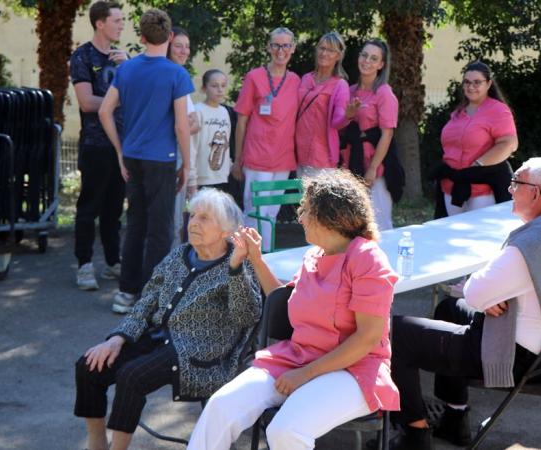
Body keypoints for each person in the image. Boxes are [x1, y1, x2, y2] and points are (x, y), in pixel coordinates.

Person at [386, 158, 541, 449]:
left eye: (516, 183)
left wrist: (486, 296)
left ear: (536, 193)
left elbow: (473, 292)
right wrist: (492, 296)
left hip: (515, 353)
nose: (510, 189)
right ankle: (455, 418)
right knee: (447, 310)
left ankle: (415, 433)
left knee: (393, 332)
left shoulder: (530, 245)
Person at [187, 170, 400, 450]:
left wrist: (306, 374)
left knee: (286, 430)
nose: (300, 218)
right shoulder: (314, 254)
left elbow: (367, 338)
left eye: (306, 210)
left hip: (355, 370)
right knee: (220, 406)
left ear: (330, 216)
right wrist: (256, 260)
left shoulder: (368, 259)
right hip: (296, 359)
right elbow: (285, 305)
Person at [74, 189, 262, 450]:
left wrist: (236, 268)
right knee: (89, 366)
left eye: (204, 218)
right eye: (192, 215)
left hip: (200, 353)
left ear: (225, 231)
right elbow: (147, 301)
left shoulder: (239, 263)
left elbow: (247, 315)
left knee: (132, 376)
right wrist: (118, 338)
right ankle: (97, 444)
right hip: (159, 338)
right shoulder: (179, 255)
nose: (193, 222)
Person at [99, 8, 194, 314]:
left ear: (140, 37)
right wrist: (188, 165)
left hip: (134, 157)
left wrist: (119, 150)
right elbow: (182, 125)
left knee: (136, 224)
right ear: (169, 37)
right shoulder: (177, 74)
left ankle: (126, 293)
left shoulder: (127, 69)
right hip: (161, 160)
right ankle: (150, 297)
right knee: (160, 229)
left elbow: (104, 112)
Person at [70, 1, 127, 291]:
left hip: (122, 145)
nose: (121, 25)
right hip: (95, 145)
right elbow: (85, 101)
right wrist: (115, 102)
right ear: (100, 23)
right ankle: (84, 265)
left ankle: (112, 262)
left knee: (114, 208)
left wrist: (127, 68)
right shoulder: (82, 56)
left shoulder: (123, 58)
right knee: (89, 207)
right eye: (116, 20)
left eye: (122, 20)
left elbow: (136, 97)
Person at [232, 27, 300, 253]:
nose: (281, 50)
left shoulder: (296, 81)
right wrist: (237, 159)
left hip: (283, 158)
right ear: (269, 47)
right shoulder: (254, 77)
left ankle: (266, 261)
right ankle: (247, 261)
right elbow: (241, 120)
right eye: (276, 45)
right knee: (254, 212)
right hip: (256, 156)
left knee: (271, 213)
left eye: (286, 45)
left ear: (293, 48)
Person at [431, 60, 518, 219]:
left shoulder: (497, 110)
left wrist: (477, 166)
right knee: (450, 235)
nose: (471, 86)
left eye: (477, 82)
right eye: (467, 82)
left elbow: (509, 144)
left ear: (489, 84)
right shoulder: (458, 113)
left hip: (481, 189)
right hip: (452, 187)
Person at [340, 39, 399, 231]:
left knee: (380, 224)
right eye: (364, 55)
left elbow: (387, 134)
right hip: (352, 164)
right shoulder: (350, 91)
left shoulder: (384, 93)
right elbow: (341, 128)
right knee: (354, 223)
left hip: (376, 167)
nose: (367, 61)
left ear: (381, 65)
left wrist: (373, 168)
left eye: (374, 58)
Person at [295, 31, 349, 178]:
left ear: (338, 56)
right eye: (322, 48)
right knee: (300, 200)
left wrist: (348, 116)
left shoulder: (340, 85)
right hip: (297, 154)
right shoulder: (305, 79)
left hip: (322, 158)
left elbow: (337, 122)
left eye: (330, 50)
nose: (324, 53)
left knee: (318, 201)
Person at [168, 26, 201, 246]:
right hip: (172, 158)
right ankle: (169, 273)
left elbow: (192, 122)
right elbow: (182, 125)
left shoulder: (180, 75)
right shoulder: (171, 74)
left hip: (181, 155)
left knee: (177, 220)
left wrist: (193, 122)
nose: (184, 51)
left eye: (187, 46)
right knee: (172, 222)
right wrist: (192, 123)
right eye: (178, 46)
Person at [188, 70, 233, 194]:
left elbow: (226, 143)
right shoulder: (197, 111)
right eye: (214, 85)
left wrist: (228, 167)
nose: (220, 90)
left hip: (221, 177)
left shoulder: (225, 112)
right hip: (202, 178)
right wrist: (192, 177)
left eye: (223, 85)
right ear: (204, 88)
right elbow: (192, 146)